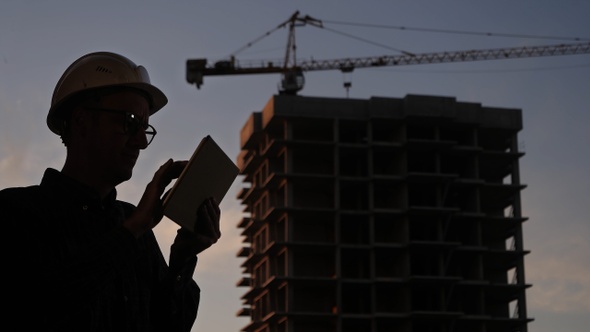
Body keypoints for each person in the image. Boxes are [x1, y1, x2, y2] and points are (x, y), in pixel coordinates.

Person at [0, 52, 221, 331]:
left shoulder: (136, 229)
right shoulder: (15, 213)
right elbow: (40, 307)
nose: (140, 141)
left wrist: (182, 259)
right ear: (81, 121)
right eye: (129, 122)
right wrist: (132, 231)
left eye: (145, 128)